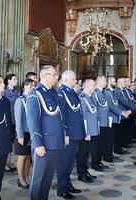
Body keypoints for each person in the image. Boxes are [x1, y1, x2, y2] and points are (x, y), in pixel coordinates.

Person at [26, 65, 64, 200]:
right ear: (44, 76)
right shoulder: (35, 93)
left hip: (54, 141)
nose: (56, 77)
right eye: (53, 74)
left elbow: (58, 117)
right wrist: (38, 144)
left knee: (47, 177)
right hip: (43, 143)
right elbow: (33, 121)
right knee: (38, 177)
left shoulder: (53, 92)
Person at [56, 70, 85, 199]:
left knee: (69, 162)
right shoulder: (61, 93)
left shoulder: (71, 91)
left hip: (74, 133)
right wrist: (65, 132)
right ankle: (62, 189)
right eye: (73, 79)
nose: (76, 81)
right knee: (64, 162)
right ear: (66, 80)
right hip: (68, 133)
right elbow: (61, 115)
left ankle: (67, 184)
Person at [14, 78, 36, 189]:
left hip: (31, 132)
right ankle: (20, 179)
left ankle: (26, 177)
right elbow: (18, 119)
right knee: (22, 156)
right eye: (32, 85)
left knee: (28, 156)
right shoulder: (20, 100)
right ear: (25, 86)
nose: (34, 88)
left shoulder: (33, 99)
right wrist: (20, 135)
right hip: (23, 132)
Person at [77, 79, 99, 183]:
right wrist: (87, 132)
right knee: (83, 153)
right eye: (94, 85)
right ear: (87, 86)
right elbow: (83, 117)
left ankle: (85, 172)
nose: (95, 87)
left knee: (86, 153)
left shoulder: (89, 97)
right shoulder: (82, 98)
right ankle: (81, 174)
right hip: (87, 132)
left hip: (92, 130)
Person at [104, 76, 129, 162]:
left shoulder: (113, 92)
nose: (115, 83)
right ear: (109, 82)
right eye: (114, 81)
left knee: (111, 138)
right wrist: (121, 112)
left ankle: (110, 154)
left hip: (115, 118)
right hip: (111, 118)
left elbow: (116, 104)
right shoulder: (107, 92)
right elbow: (111, 106)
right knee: (109, 138)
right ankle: (107, 155)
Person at [91, 75, 109, 171]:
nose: (105, 82)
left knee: (102, 143)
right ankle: (95, 163)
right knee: (96, 144)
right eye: (104, 81)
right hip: (99, 122)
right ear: (98, 82)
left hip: (104, 122)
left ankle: (99, 161)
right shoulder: (95, 92)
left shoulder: (103, 92)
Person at [2, 74, 19, 172]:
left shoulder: (16, 92)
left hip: (15, 120)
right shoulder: (5, 91)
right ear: (9, 80)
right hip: (8, 120)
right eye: (14, 79)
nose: (16, 81)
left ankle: (8, 162)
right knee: (8, 142)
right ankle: (5, 164)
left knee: (12, 143)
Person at [114, 77, 134, 155]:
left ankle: (121, 146)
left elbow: (128, 100)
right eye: (124, 82)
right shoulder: (118, 91)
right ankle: (118, 148)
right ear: (119, 83)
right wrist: (133, 107)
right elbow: (124, 101)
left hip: (125, 113)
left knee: (123, 131)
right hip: (121, 114)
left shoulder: (123, 90)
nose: (125, 83)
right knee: (119, 133)